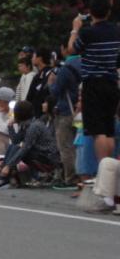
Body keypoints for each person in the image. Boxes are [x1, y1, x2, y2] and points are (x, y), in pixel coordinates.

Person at [68, 0, 120, 164]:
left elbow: (72, 49)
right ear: (108, 12)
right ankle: (110, 168)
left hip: (93, 84)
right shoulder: (116, 31)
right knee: (109, 129)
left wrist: (75, 28)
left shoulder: (88, 32)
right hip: (112, 83)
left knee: (99, 131)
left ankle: (103, 168)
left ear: (90, 12)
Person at [0, 100, 60, 189]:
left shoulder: (34, 127)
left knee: (19, 149)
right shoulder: (26, 124)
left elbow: (25, 148)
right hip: (40, 154)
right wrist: (10, 126)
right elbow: (15, 141)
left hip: (48, 158)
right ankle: (3, 175)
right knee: (14, 147)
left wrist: (8, 166)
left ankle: (3, 176)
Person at [46, 44, 81, 189]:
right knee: (79, 145)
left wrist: (51, 83)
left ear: (65, 50)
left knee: (65, 146)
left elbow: (55, 91)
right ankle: (83, 176)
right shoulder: (87, 63)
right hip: (81, 112)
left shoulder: (66, 68)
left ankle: (70, 178)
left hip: (66, 111)